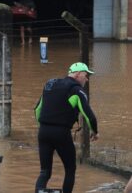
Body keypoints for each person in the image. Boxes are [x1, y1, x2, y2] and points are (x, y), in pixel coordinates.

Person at [34, 62, 99, 193]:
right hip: (61, 133)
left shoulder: (50, 85)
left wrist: (43, 127)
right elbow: (89, 115)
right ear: (78, 74)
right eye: (86, 76)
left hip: (43, 132)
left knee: (45, 171)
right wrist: (95, 131)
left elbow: (37, 109)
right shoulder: (76, 90)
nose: (86, 79)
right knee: (70, 169)